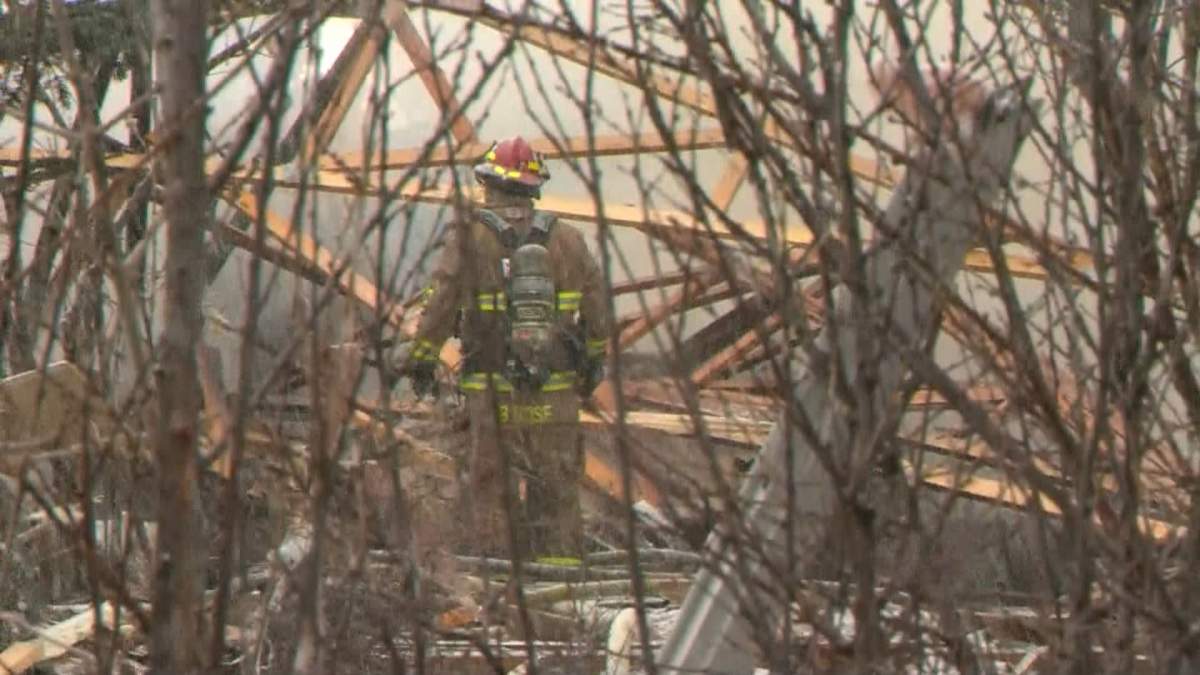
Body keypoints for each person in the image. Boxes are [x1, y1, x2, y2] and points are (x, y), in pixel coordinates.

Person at [403, 136, 610, 559]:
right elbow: (599, 316)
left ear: (489, 186)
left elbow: (439, 307)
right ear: (534, 188)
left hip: (490, 397)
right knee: (556, 498)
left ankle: (497, 596)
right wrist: (591, 367)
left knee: (489, 496)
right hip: (554, 397)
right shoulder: (569, 240)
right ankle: (563, 597)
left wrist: (419, 363)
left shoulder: (467, 239)